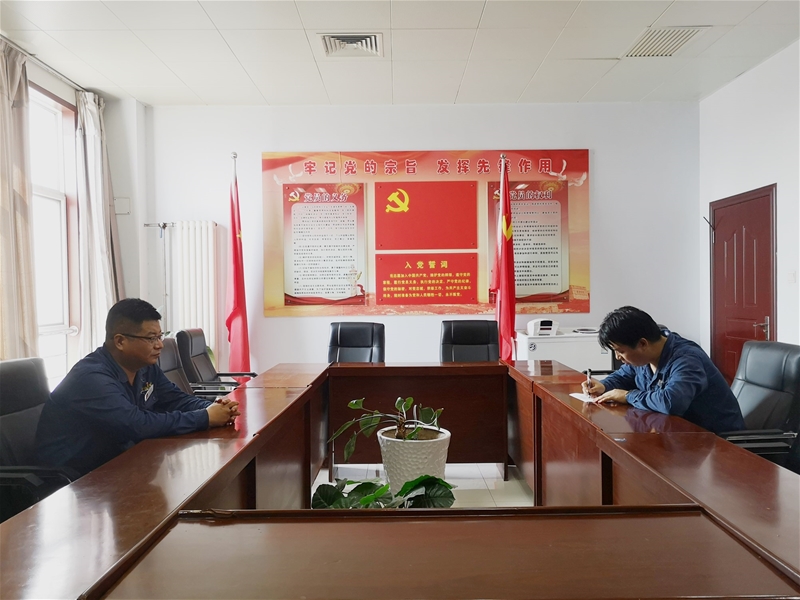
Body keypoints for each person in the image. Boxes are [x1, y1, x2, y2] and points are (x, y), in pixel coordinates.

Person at [36, 298, 241, 477]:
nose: (160, 345)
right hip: (74, 479)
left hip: (119, 464)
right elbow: (137, 425)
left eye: (160, 336)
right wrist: (205, 417)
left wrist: (214, 407)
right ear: (120, 341)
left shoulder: (144, 367)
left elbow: (175, 399)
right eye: (151, 338)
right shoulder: (91, 378)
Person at [582, 306, 745, 435]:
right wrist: (603, 385)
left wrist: (627, 396)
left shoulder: (686, 359)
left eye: (620, 351)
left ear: (642, 344)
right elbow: (623, 376)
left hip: (717, 443)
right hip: (676, 437)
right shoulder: (644, 358)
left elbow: (671, 403)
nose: (618, 357)